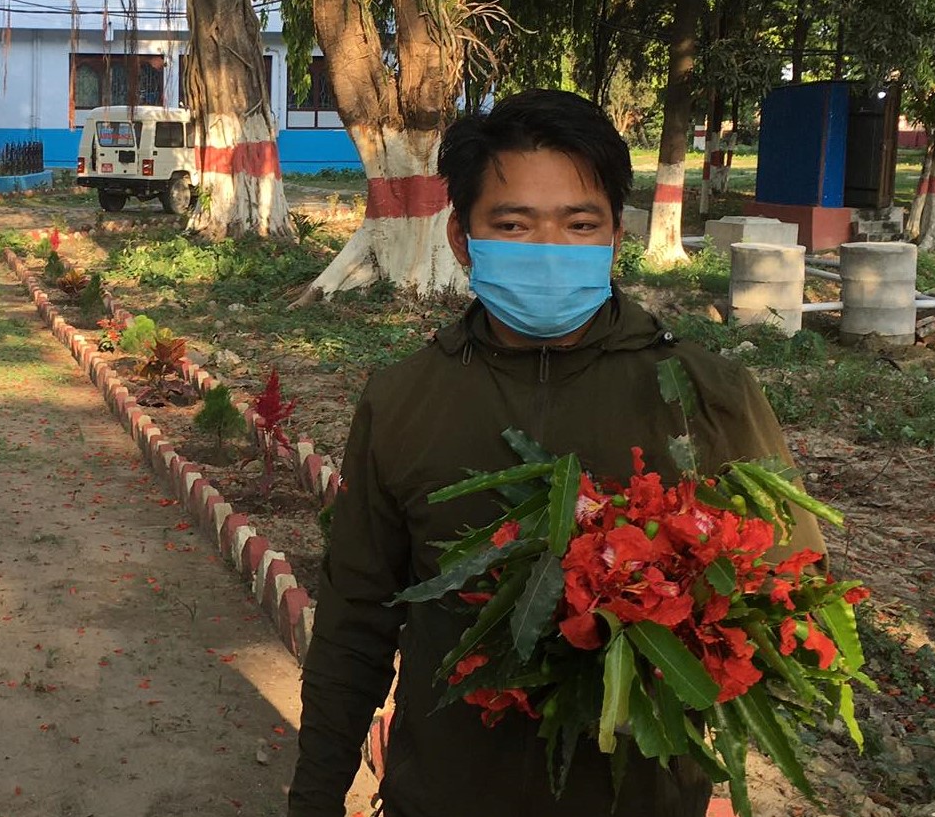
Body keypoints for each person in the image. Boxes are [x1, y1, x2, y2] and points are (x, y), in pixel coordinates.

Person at [287, 90, 828, 817]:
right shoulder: (405, 401)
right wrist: (313, 798)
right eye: (513, 225)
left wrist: (670, 607)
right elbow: (354, 624)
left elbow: (791, 594)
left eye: (579, 224)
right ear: (461, 236)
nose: (548, 249)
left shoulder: (704, 396)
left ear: (614, 235)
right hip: (443, 798)